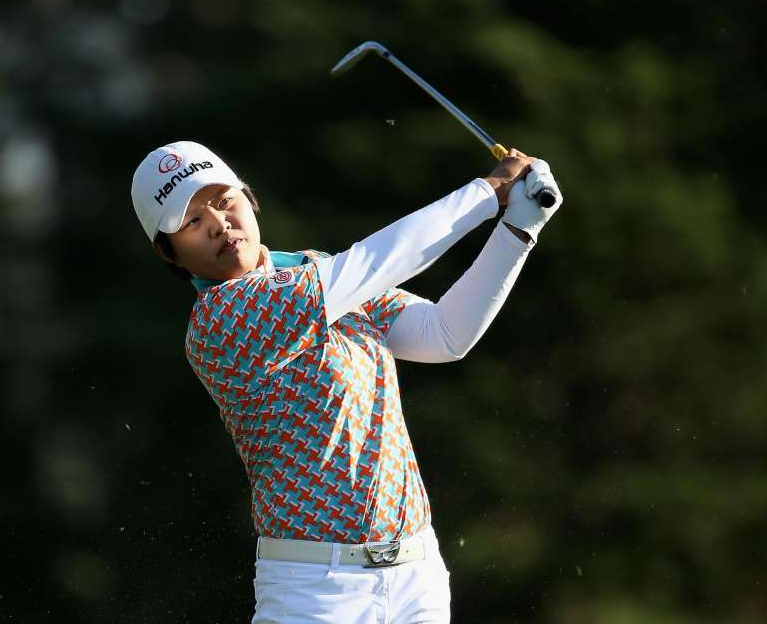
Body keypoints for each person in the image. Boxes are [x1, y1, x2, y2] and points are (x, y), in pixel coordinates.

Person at [130, 140, 562, 624]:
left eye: (224, 200)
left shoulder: (317, 269)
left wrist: (516, 230)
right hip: (315, 594)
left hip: (416, 577)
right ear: (169, 254)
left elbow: (442, 335)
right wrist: (488, 191)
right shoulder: (221, 320)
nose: (217, 223)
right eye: (191, 222)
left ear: (249, 199)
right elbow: (378, 261)